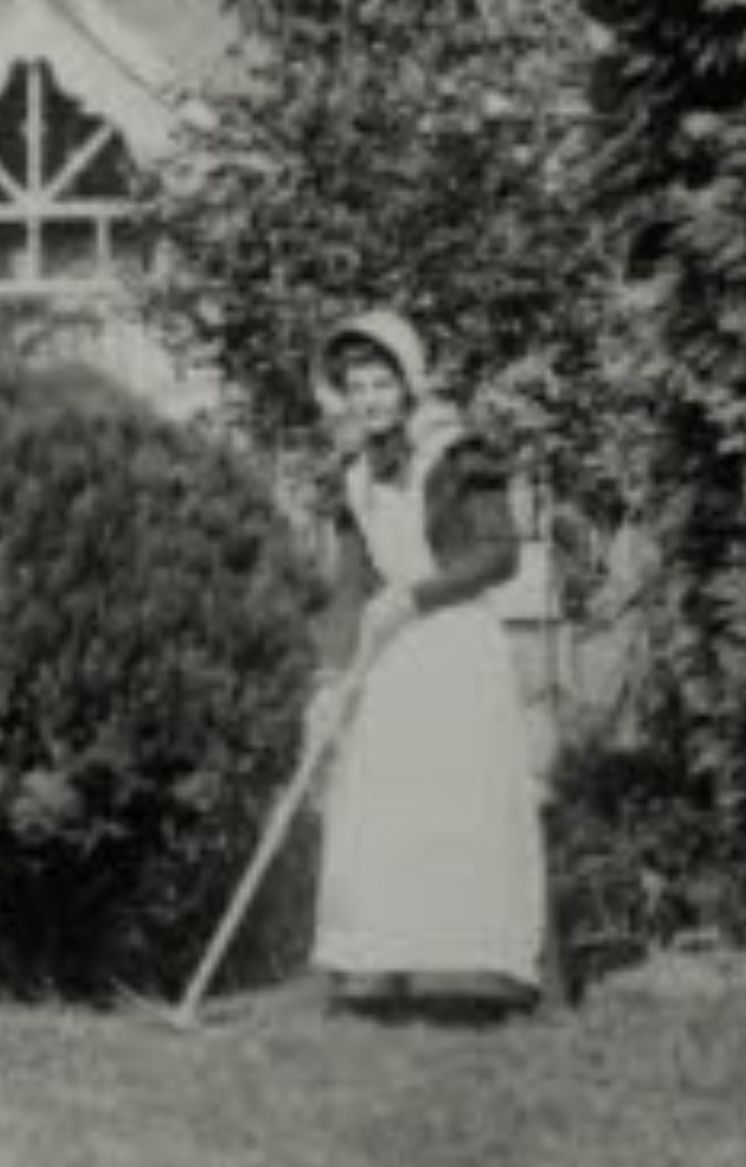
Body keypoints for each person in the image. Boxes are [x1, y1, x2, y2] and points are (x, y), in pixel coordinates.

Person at [305, 310, 548, 1015]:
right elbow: (352, 586)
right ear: (344, 397)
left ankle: (493, 965)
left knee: (463, 806)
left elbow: (499, 554)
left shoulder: (457, 452)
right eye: (358, 387)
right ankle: (379, 964)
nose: (373, 399)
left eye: (383, 382)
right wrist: (332, 675)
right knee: (384, 806)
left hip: (457, 647)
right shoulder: (351, 475)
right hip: (391, 656)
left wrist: (417, 594)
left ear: (409, 384)